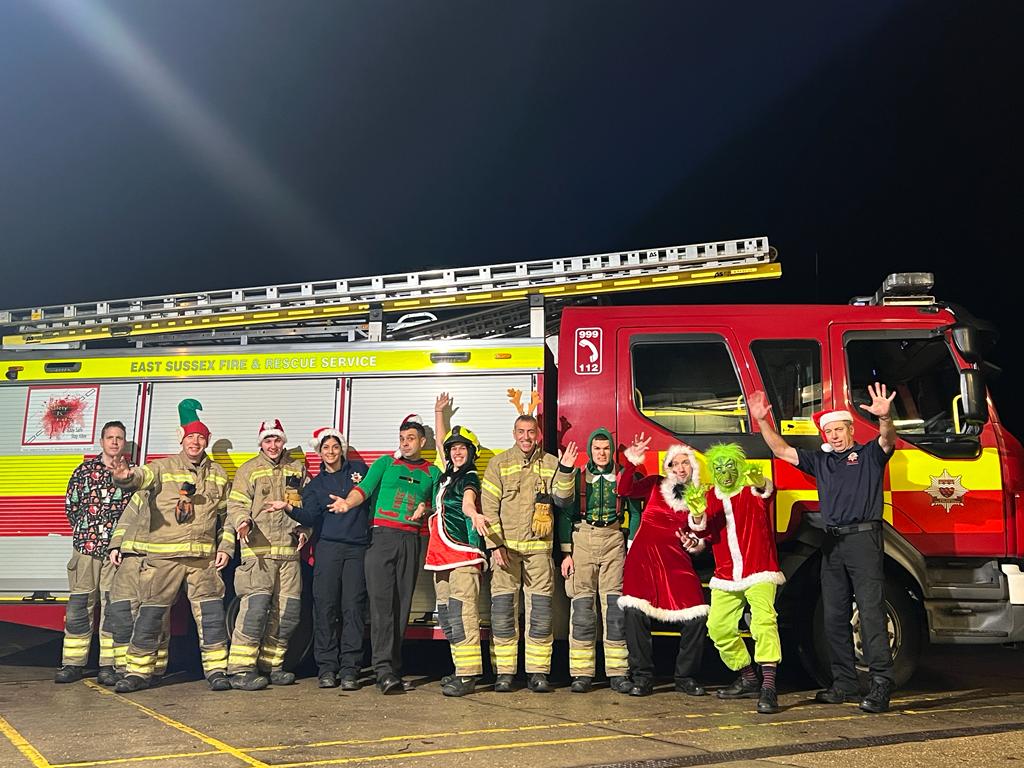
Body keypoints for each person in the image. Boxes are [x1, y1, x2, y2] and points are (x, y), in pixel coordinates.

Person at [749, 383, 897, 713]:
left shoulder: (870, 454)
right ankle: (844, 683)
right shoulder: (821, 462)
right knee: (833, 615)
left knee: (871, 613)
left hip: (863, 539)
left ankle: (881, 684)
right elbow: (782, 451)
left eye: (839, 430)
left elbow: (888, 439)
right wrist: (762, 421)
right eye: (828, 431)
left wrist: (885, 417)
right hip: (832, 541)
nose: (834, 436)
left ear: (851, 429)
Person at [109, 399, 233, 692]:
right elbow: (139, 478)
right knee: (151, 615)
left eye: (201, 437)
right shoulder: (162, 467)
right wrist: (125, 478)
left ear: (207, 440)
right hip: (164, 557)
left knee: (212, 617)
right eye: (191, 437)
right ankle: (138, 673)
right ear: (182, 439)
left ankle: (216, 671)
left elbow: (228, 516)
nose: (196, 442)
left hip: (203, 559)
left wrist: (226, 547)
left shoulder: (218, 474)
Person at [331, 413, 441, 694]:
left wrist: (426, 509)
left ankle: (393, 668)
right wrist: (347, 503)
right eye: (402, 438)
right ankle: (382, 670)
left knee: (401, 607)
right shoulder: (385, 463)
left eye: (411, 438)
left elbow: (439, 502)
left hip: (411, 540)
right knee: (381, 607)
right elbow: (364, 489)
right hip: (381, 539)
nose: (405, 443)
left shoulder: (432, 472)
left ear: (422, 441)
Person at [481, 412, 576, 693]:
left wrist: (567, 469)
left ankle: (537, 673)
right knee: (502, 612)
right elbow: (489, 508)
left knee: (541, 613)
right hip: (506, 551)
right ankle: (504, 673)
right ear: (514, 434)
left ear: (539, 435)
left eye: (531, 432)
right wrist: (495, 545)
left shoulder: (550, 463)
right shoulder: (499, 463)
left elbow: (563, 500)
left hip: (538, 552)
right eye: (521, 432)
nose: (526, 437)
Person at [689, 442, 783, 714]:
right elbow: (702, 532)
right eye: (719, 468)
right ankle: (749, 677)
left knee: (764, 623)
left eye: (731, 467)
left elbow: (766, 490)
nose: (725, 473)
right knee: (718, 628)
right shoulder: (710, 498)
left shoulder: (750, 490)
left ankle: (768, 686)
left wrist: (759, 480)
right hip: (727, 576)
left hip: (760, 569)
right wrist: (696, 514)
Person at [616, 433, 709, 697]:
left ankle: (686, 676)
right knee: (635, 613)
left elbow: (704, 533)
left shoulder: (701, 495)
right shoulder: (655, 484)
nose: (680, 468)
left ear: (693, 466)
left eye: (685, 463)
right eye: (674, 464)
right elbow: (624, 490)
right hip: (643, 559)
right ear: (667, 468)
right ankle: (642, 676)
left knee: (697, 615)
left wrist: (695, 541)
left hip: (675, 561)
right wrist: (631, 463)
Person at [226, 418, 310, 690]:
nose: (273, 446)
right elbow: (236, 504)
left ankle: (272, 665)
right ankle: (240, 670)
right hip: (258, 553)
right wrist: (242, 521)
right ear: (261, 443)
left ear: (283, 442)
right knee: (255, 611)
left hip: (288, 555)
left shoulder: (297, 469)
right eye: (267, 441)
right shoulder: (248, 470)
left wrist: (305, 531)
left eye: (277, 440)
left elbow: (307, 507)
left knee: (287, 614)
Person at [288, 427, 369, 690]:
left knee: (353, 609)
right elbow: (310, 516)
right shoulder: (317, 485)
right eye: (326, 448)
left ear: (341, 449)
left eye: (335, 447)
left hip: (357, 549)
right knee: (325, 609)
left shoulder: (359, 471)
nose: (331, 452)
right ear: (319, 452)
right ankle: (326, 668)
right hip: (328, 550)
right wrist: (290, 509)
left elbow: (372, 495)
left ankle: (350, 670)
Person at [55, 420, 135, 685]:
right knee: (80, 606)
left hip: (117, 552)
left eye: (119, 438)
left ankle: (108, 666)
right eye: (110, 437)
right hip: (86, 549)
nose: (114, 442)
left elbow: (136, 512)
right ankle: (72, 664)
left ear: (124, 443)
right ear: (101, 441)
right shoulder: (84, 471)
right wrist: (85, 533)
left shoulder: (131, 474)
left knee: (113, 609)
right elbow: (72, 506)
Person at [425, 393, 489, 697]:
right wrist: (440, 414)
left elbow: (467, 502)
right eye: (454, 449)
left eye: (462, 448)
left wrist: (474, 513)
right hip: (440, 556)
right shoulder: (446, 473)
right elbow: (440, 443)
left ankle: (467, 676)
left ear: (471, 452)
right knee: (448, 615)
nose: (456, 453)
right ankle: (457, 668)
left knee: (463, 614)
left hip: (462, 553)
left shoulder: (469, 477)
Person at [557, 427, 630, 693]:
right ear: (590, 451)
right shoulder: (578, 477)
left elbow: (634, 512)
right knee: (582, 608)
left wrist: (630, 548)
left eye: (606, 448)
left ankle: (618, 673)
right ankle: (581, 673)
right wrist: (566, 553)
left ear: (612, 450)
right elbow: (565, 513)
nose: (601, 453)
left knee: (614, 609)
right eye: (597, 448)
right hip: (583, 540)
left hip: (613, 539)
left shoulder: (622, 476)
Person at [105, 489, 171, 684]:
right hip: (130, 557)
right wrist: (115, 545)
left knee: (155, 617)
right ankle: (122, 668)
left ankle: (155, 669)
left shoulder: (175, 496)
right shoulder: (141, 494)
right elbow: (125, 520)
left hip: (157, 559)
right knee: (122, 612)